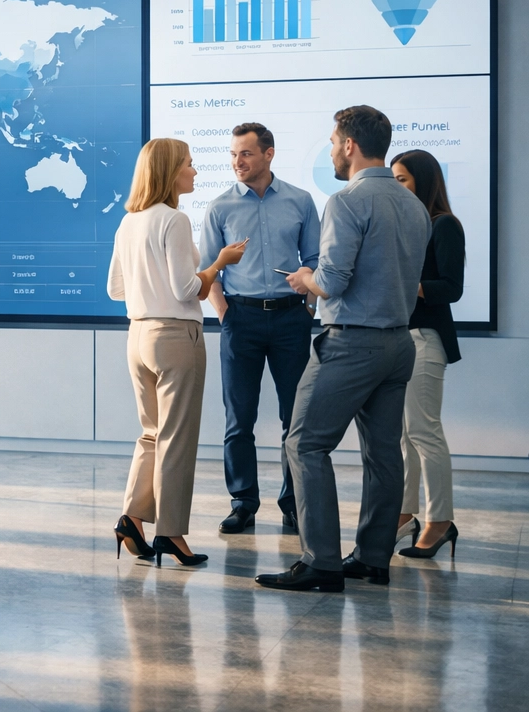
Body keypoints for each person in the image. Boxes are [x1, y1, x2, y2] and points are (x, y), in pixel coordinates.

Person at [256, 105, 430, 592]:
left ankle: (321, 563)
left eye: (334, 142)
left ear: (350, 145)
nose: (332, 150)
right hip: (399, 344)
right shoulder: (413, 204)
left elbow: (331, 282)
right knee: (382, 454)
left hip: (351, 342)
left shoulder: (347, 200)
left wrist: (304, 278)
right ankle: (374, 558)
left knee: (304, 443)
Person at [108, 138, 245, 567]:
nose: (195, 172)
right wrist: (219, 262)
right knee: (176, 440)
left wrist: (149, 291)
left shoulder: (129, 222)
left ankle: (132, 518)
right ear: (170, 172)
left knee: (151, 433)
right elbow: (190, 289)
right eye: (189, 164)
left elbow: (115, 290)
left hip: (138, 337)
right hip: (175, 338)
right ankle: (171, 534)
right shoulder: (175, 220)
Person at [201, 122, 321, 535]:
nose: (238, 162)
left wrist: (308, 307)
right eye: (234, 154)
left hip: (291, 319)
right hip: (242, 319)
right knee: (239, 418)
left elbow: (317, 259)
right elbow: (208, 271)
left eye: (246, 153)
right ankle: (242, 502)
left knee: (296, 418)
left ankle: (292, 503)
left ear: (269, 154)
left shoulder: (301, 201)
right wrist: (224, 313)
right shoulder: (219, 208)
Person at [390, 149, 466, 559]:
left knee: (424, 433)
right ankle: (404, 515)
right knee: (403, 437)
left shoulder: (444, 225)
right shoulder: (408, 224)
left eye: (402, 180)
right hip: (400, 338)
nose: (395, 186)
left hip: (424, 337)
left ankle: (440, 521)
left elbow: (450, 288)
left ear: (423, 181)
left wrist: (406, 281)